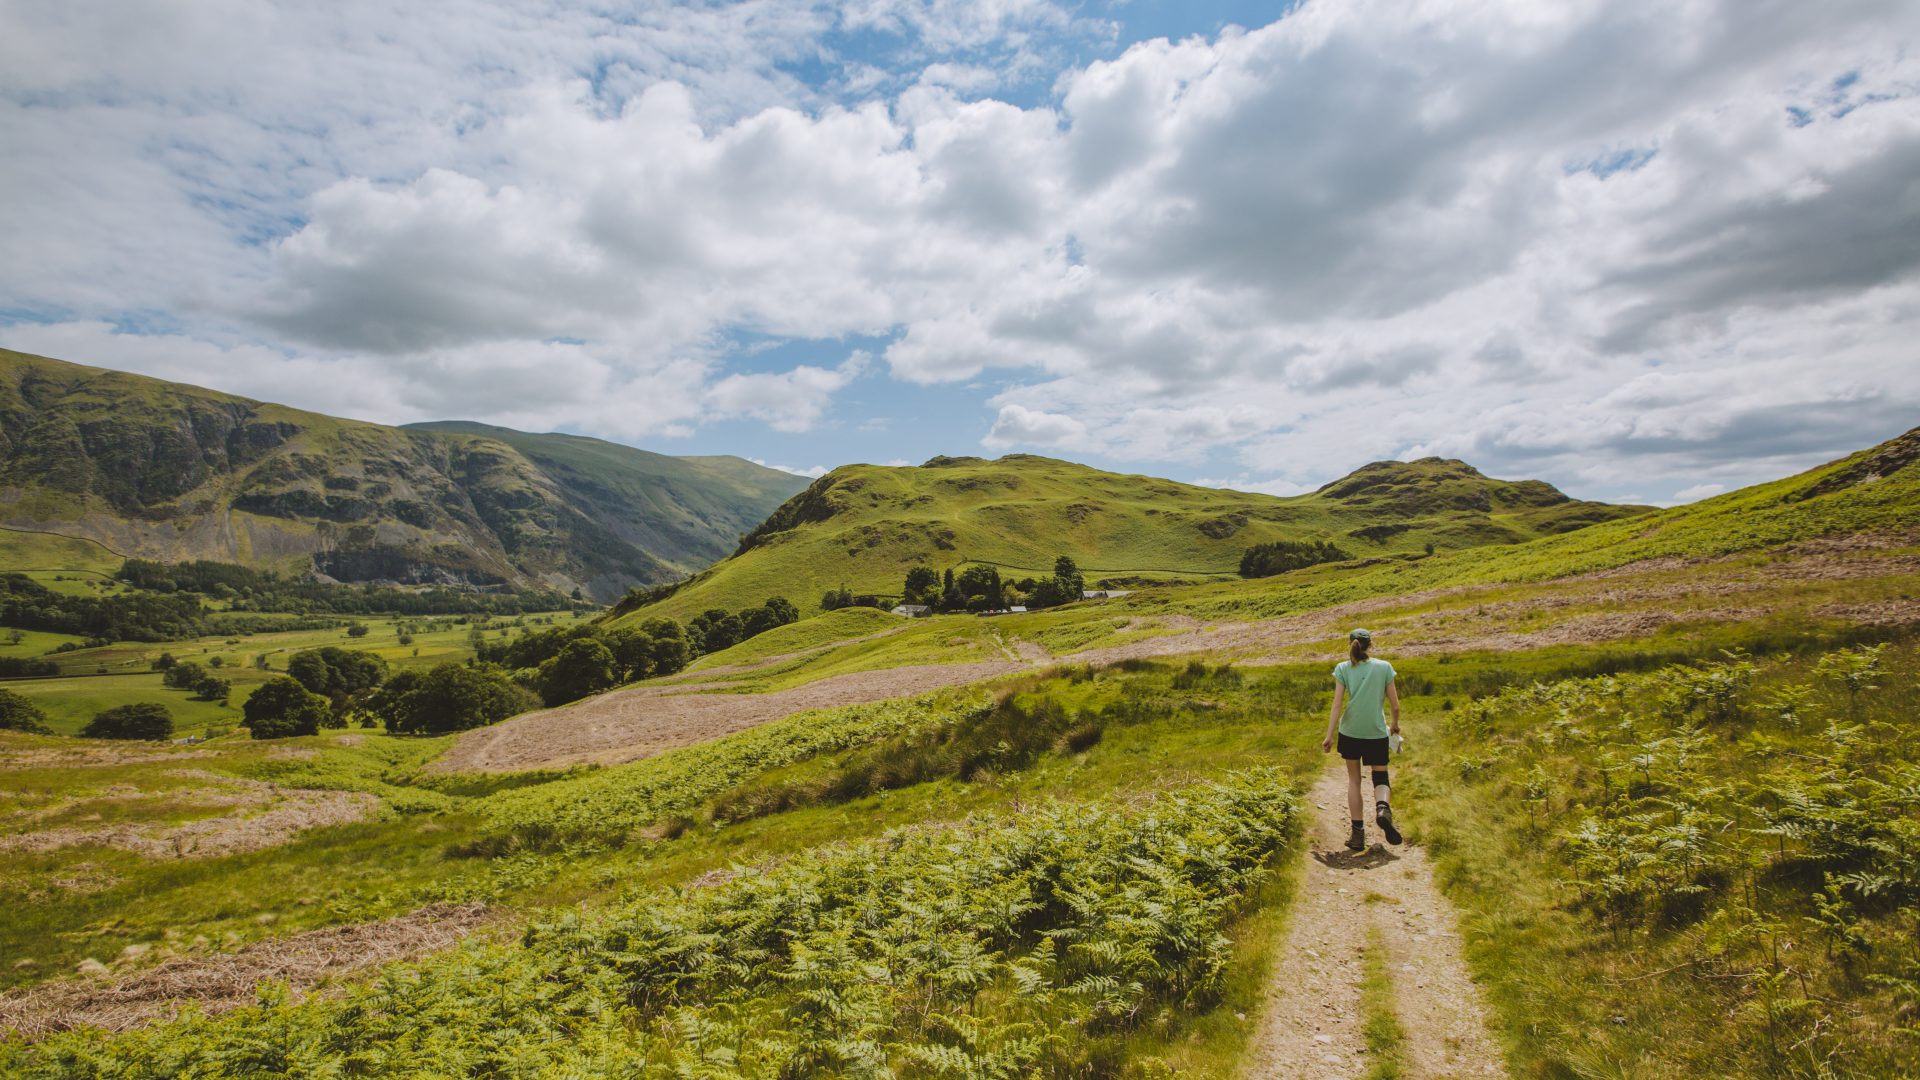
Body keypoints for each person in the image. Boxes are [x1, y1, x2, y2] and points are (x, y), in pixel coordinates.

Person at [1320, 628, 1402, 852]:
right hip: (1376, 731)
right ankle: (1383, 808)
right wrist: (1394, 725)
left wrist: (1329, 735)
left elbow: (1337, 704)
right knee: (1380, 775)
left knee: (1354, 781)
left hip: (1350, 731)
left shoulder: (1343, 668)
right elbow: (1395, 705)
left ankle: (1357, 836)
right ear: (1370, 645)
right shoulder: (1384, 667)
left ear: (1351, 645)